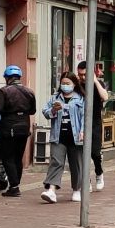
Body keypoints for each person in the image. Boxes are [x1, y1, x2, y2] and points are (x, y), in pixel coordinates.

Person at [41, 71, 85, 203]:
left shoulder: (80, 98)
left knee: (76, 164)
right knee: (56, 162)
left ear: (74, 84)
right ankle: (51, 190)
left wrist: (83, 131)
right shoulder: (55, 98)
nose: (65, 86)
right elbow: (45, 112)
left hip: (75, 136)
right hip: (58, 135)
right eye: (63, 83)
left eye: (68, 83)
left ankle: (77, 189)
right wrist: (54, 110)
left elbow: (84, 117)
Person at [0, 65, 36, 197]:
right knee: (18, 157)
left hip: (8, 127)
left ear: (7, 77)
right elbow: (33, 111)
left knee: (8, 157)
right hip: (24, 127)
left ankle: (14, 187)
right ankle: (16, 184)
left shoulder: (4, 91)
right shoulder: (29, 91)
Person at [77, 61, 108, 190]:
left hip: (94, 122)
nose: (82, 77)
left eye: (85, 75)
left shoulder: (98, 84)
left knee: (95, 152)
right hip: (79, 122)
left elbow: (105, 97)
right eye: (80, 75)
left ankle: (99, 172)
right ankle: (86, 180)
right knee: (82, 154)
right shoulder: (76, 85)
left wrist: (95, 81)